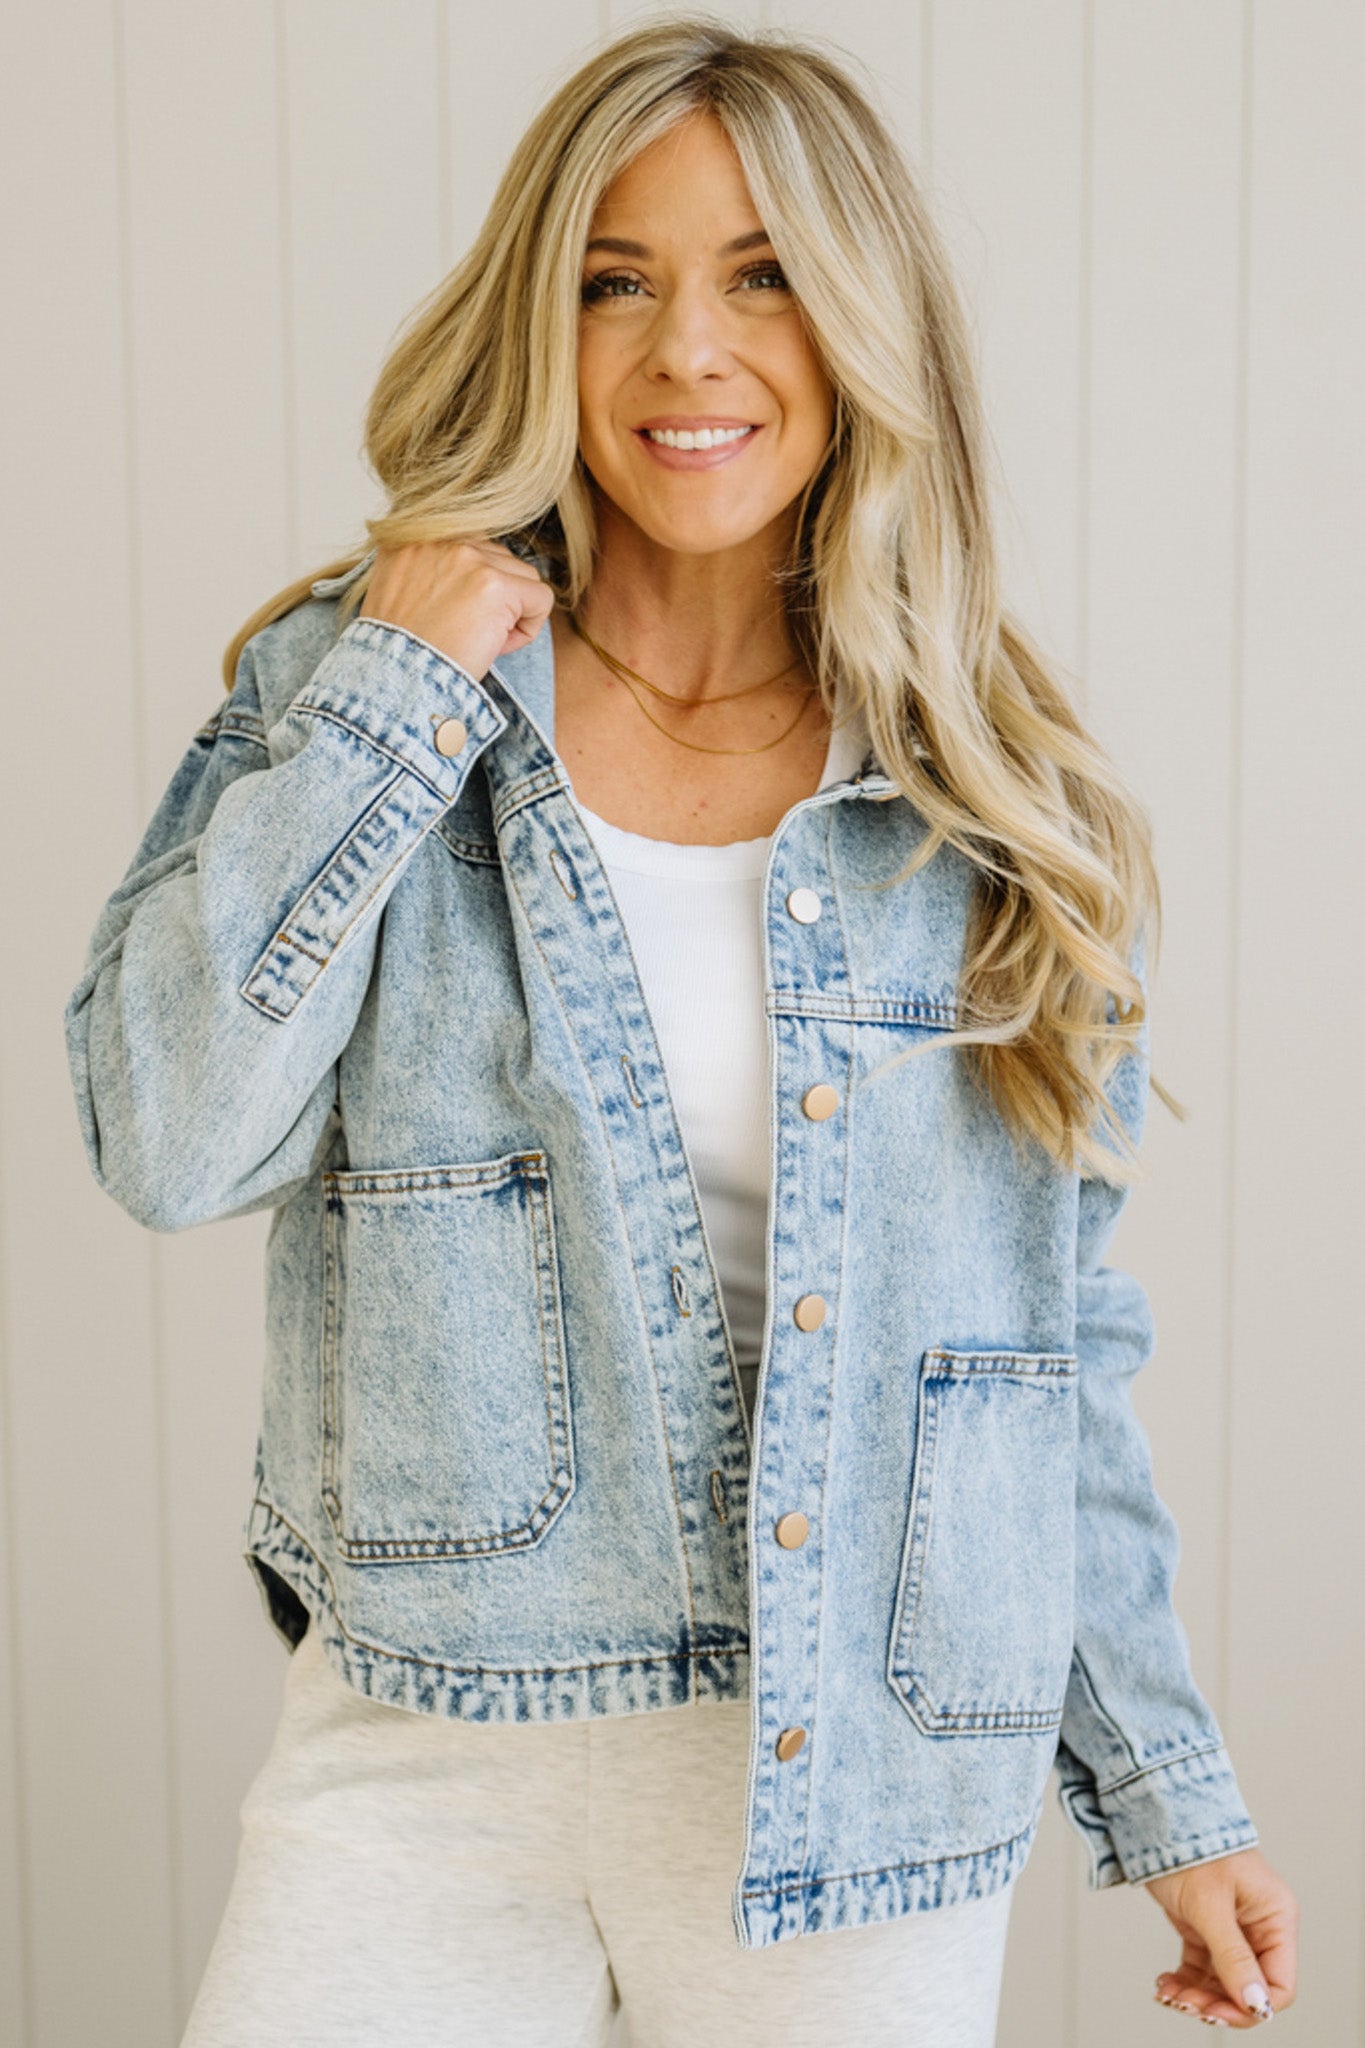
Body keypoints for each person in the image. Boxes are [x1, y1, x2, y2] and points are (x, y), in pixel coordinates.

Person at [63, 16, 1298, 2045]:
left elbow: (1042, 1365)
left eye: (762, 278)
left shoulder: (991, 806)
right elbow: (167, 1137)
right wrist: (395, 694)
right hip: (428, 1730)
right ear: (535, 322)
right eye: (612, 281)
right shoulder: (361, 680)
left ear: (861, 331)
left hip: (861, 1777)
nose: (683, 354)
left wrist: (1163, 1784)